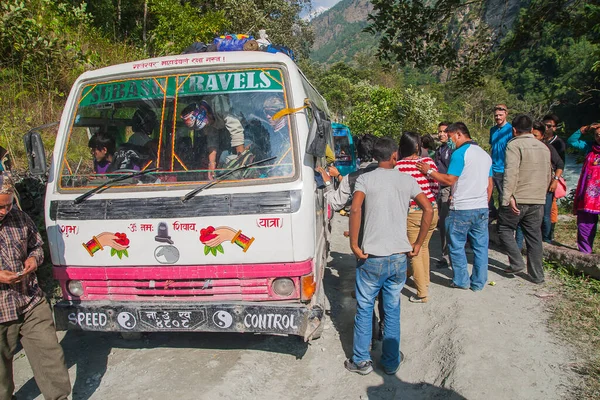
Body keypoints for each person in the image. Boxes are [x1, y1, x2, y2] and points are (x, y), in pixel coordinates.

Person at [345, 137, 433, 376]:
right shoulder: (407, 180)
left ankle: (361, 361)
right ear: (395, 155)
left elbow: (355, 209)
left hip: (371, 255)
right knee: (392, 307)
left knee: (364, 306)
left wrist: (354, 243)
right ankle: (391, 361)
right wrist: (418, 243)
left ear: (375, 156)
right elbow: (428, 208)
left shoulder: (365, 178)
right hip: (398, 257)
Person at [0, 173, 71, 400]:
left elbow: (37, 247)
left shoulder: (20, 219)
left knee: (50, 357)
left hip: (30, 301)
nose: (4, 211)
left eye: (8, 204)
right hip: (2, 311)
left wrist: (34, 259)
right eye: (0, 206)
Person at [416, 122, 493, 291]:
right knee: (480, 247)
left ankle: (461, 280)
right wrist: (484, 203)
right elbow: (490, 184)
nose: (450, 141)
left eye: (450, 137)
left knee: (456, 245)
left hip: (462, 208)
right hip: (481, 207)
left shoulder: (459, 154)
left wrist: (429, 171)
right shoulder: (484, 155)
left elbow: (449, 180)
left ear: (458, 135)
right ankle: (479, 282)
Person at [498, 115, 551, 283]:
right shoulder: (544, 147)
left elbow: (511, 173)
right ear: (530, 129)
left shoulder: (514, 145)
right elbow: (548, 174)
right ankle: (537, 276)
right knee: (534, 236)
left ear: (514, 130)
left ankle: (516, 262)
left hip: (518, 197)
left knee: (504, 228)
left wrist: (507, 197)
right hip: (537, 199)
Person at [396, 132, 439, 303]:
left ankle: (422, 293)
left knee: (414, 251)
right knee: (424, 247)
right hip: (432, 209)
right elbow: (435, 186)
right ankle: (425, 282)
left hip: (414, 212)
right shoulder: (428, 163)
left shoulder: (398, 167)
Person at [180, 99, 246, 180]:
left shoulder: (220, 106)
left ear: (206, 113)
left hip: (247, 128)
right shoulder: (208, 116)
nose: (205, 129)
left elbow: (236, 131)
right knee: (224, 157)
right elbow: (212, 139)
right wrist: (211, 164)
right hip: (229, 137)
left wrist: (243, 163)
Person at [567, 123, 600, 253]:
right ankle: (585, 252)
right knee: (585, 224)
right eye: (597, 135)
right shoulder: (589, 147)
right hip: (590, 195)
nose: (599, 137)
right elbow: (572, 141)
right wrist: (586, 129)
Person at [532, 121, 564, 243]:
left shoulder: (548, 148)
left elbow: (560, 164)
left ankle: (546, 241)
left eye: (535, 135)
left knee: (545, 216)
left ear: (542, 136)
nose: (533, 138)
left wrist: (555, 180)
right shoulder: (526, 147)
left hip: (546, 187)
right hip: (532, 187)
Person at [489, 104, 513, 219]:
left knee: (503, 195)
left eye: (500, 115)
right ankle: (492, 214)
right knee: (487, 192)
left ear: (506, 114)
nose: (498, 117)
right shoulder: (493, 130)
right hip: (493, 167)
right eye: (496, 115)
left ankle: (504, 218)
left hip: (504, 167)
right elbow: (492, 147)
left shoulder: (511, 130)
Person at [433, 121, 452, 267]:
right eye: (439, 131)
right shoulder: (440, 149)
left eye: (444, 131)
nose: (441, 134)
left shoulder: (452, 150)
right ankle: (444, 253)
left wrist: (453, 192)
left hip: (448, 188)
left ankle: (447, 256)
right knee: (442, 223)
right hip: (440, 188)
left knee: (446, 223)